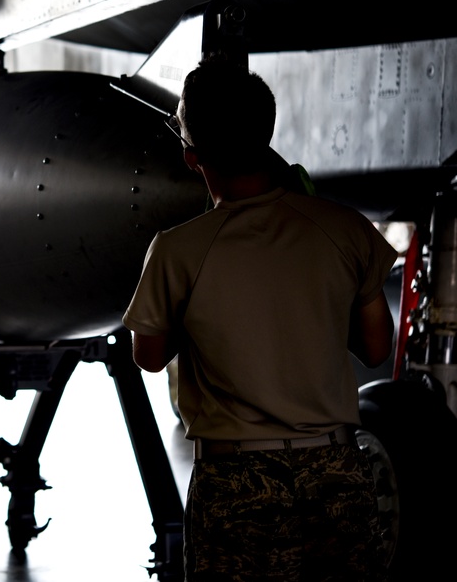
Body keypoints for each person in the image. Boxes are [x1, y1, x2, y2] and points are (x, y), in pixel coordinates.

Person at [123, 60, 396, 581]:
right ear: (266, 138)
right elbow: (376, 348)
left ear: (192, 156)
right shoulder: (344, 229)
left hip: (236, 480)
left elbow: (149, 357)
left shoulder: (178, 250)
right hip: (336, 473)